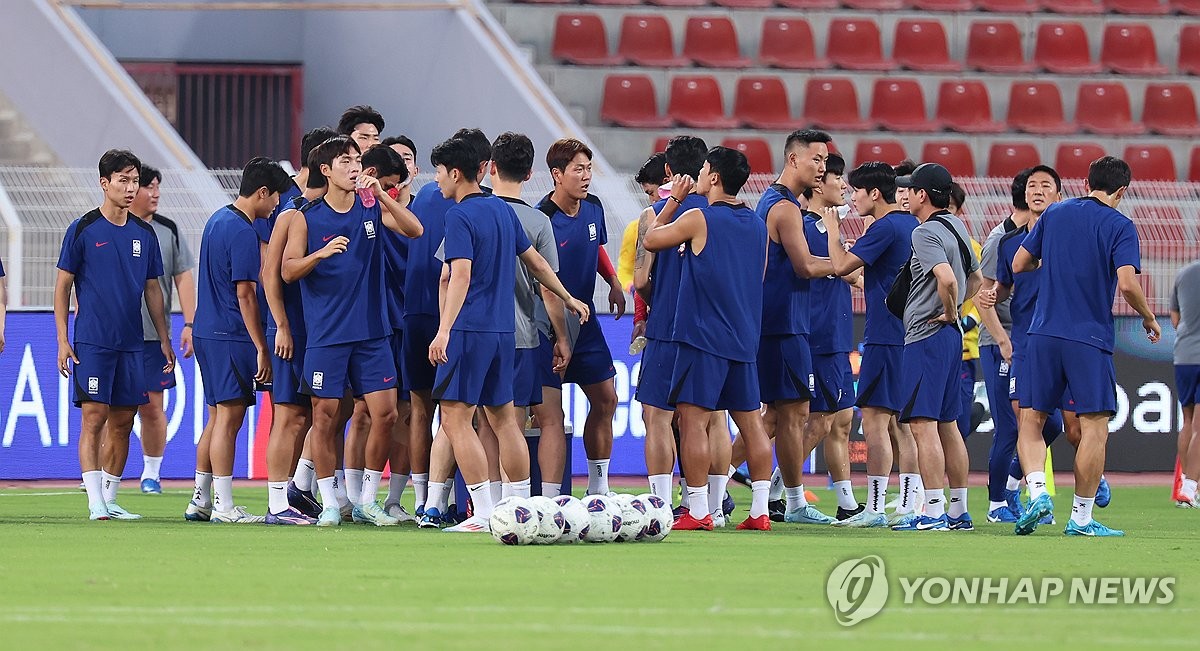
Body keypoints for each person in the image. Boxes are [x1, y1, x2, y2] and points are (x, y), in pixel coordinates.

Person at [427, 136, 588, 532]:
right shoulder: (502, 211)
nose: (437, 181)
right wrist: (568, 297)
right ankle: (518, 506)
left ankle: (483, 511)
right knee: (504, 421)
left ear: (455, 173)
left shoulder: (459, 215)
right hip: (504, 334)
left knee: (455, 419)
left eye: (439, 173)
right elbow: (535, 262)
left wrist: (443, 330)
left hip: (469, 329)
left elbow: (458, 273)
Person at [1009, 156, 1161, 536]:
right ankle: (1080, 518)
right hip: (1088, 337)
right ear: (1122, 190)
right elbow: (1127, 284)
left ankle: (1038, 491)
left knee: (1031, 420)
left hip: (1042, 334)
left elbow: (1018, 263)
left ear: (1086, 181)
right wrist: (1147, 317)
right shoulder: (1120, 225)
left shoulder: (1055, 214)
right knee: (1094, 428)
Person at [282, 135, 423, 527]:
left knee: (387, 413)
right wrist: (319, 254)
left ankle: (367, 499)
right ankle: (329, 501)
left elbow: (414, 230)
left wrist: (382, 195)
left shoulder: (370, 206)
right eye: (345, 161)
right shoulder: (305, 217)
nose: (354, 166)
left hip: (372, 331)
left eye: (356, 160)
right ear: (325, 170)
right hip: (327, 334)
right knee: (324, 417)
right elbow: (287, 270)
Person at [642, 146, 774, 531]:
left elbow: (651, 240)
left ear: (713, 177)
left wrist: (675, 201)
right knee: (752, 425)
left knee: (693, 421)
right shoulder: (757, 224)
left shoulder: (699, 216)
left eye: (702, 170)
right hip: (744, 337)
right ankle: (760, 511)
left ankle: (698, 511)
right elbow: (759, 275)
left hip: (703, 338)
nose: (698, 175)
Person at [55, 149, 175, 521]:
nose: (131, 187)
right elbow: (62, 287)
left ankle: (110, 497)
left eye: (134, 180)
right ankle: (94, 501)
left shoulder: (145, 234)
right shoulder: (83, 229)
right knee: (94, 418)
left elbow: (153, 289)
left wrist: (165, 338)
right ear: (104, 183)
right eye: (123, 180)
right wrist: (62, 338)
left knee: (124, 420)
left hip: (133, 343)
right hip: (93, 340)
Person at [188, 157, 291, 523]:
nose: (277, 204)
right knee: (229, 419)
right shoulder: (245, 231)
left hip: (206, 329)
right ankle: (224, 506)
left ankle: (200, 500)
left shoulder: (217, 219)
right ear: (262, 192)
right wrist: (262, 346)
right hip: (230, 334)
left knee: (217, 417)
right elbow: (246, 293)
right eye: (276, 196)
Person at [823, 162, 918, 527]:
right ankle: (909, 503)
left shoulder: (884, 227)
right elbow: (880, 280)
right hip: (909, 336)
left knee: (876, 423)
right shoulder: (912, 225)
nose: (853, 197)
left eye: (857, 191)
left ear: (875, 194)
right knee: (904, 424)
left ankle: (875, 509)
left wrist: (834, 232)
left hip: (884, 337)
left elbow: (842, 265)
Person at [755, 129, 838, 525]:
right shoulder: (784, 208)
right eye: (816, 159)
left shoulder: (776, 201)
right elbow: (805, 266)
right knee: (793, 414)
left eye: (825, 160)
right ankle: (793, 502)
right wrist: (846, 264)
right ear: (793, 160)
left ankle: (715, 487)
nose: (822, 167)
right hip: (782, 324)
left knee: (778, 416)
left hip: (779, 322)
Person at [891, 163, 981, 532]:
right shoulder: (958, 226)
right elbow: (975, 278)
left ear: (922, 195)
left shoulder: (925, 232)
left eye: (909, 189)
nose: (905, 195)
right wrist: (957, 311)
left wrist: (946, 311)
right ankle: (958, 511)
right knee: (948, 425)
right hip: (950, 338)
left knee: (923, 425)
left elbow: (945, 277)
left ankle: (931, 511)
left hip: (926, 336)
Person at [536, 138, 625, 496]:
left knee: (607, 399)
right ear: (557, 174)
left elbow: (597, 247)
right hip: (547, 326)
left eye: (589, 168)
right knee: (546, 416)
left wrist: (614, 281)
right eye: (578, 169)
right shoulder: (543, 219)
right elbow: (542, 282)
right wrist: (561, 336)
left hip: (586, 324)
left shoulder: (593, 208)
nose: (586, 176)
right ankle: (548, 495)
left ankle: (598, 488)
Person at [632, 136, 709, 506]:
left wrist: (655, 303)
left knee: (657, 417)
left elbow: (642, 280)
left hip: (666, 326)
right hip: (709, 330)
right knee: (709, 420)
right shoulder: (720, 212)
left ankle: (659, 506)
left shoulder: (654, 215)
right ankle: (709, 505)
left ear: (667, 170)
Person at [126, 165, 196, 495]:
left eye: (157, 187)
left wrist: (190, 324)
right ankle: (97, 475)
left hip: (155, 336)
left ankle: (151, 474)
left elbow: (183, 278)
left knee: (153, 407)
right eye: (147, 187)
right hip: (113, 336)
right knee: (109, 409)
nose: (154, 193)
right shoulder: (108, 226)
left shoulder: (168, 230)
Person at [801, 153, 863, 522]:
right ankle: (780, 489)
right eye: (837, 179)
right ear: (818, 185)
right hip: (818, 336)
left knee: (840, 421)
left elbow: (852, 275)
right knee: (816, 421)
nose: (843, 186)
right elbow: (845, 273)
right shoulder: (808, 227)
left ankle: (846, 502)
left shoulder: (831, 228)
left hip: (837, 336)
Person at [948, 182, 984, 444]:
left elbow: (985, 290)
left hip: (963, 348)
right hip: (926, 344)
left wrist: (971, 319)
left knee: (956, 424)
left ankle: (975, 412)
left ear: (959, 212)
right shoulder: (921, 241)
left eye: (950, 208)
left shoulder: (973, 248)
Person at [1171, 259, 1200, 508]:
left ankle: (1184, 483)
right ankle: (1191, 489)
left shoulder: (1184, 273)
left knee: (1188, 420)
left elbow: (1175, 319)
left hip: (1184, 356)